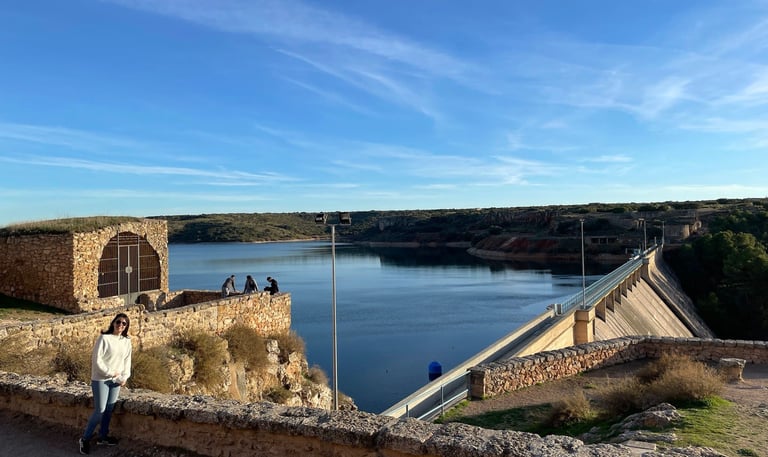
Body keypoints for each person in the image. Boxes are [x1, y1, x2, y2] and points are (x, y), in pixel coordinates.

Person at [79, 313, 133, 455]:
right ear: (113, 323)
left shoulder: (126, 341)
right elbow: (97, 361)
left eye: (124, 323)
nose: (120, 325)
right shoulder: (104, 338)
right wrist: (111, 373)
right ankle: (85, 439)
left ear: (126, 326)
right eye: (118, 322)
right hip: (101, 379)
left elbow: (127, 361)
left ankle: (103, 437)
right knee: (100, 410)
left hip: (116, 380)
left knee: (109, 409)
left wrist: (125, 377)